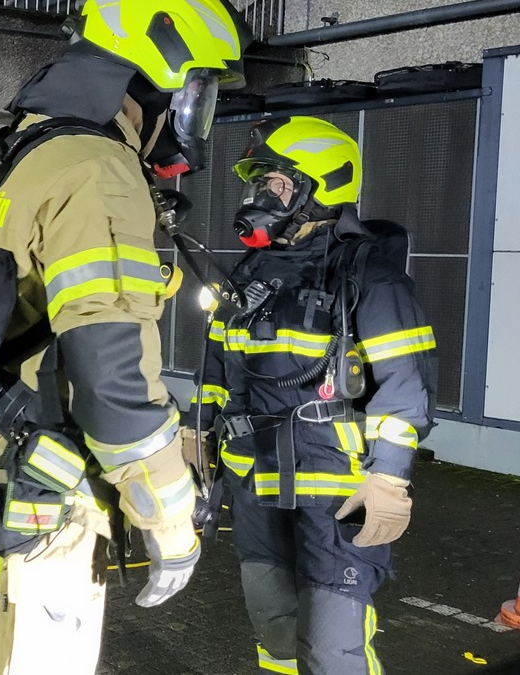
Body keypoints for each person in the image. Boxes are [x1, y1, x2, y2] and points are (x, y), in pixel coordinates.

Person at [0, 2, 248, 673]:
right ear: (154, 74)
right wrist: (169, 520)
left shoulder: (21, 144)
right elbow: (113, 380)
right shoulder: (97, 171)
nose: (191, 117)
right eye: (195, 93)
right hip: (47, 508)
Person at [191, 116, 438, 674]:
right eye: (260, 184)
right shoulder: (252, 275)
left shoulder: (372, 280)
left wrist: (390, 477)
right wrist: (197, 441)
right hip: (254, 479)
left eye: (276, 184)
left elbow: (405, 387)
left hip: (336, 490)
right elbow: (218, 368)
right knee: (274, 625)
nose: (259, 197)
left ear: (319, 188)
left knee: (332, 646)